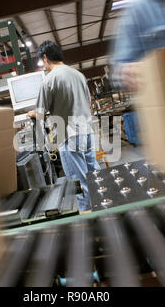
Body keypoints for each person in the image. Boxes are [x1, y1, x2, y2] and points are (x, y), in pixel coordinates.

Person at [27, 40, 100, 213]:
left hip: (69, 135)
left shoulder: (49, 80)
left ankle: (89, 216)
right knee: (93, 173)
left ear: (45, 58)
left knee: (78, 179)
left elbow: (41, 112)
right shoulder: (79, 74)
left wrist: (32, 114)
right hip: (87, 131)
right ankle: (104, 205)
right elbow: (88, 103)